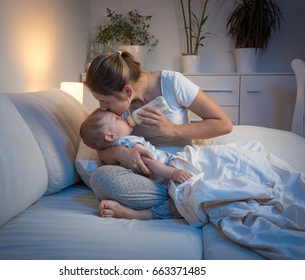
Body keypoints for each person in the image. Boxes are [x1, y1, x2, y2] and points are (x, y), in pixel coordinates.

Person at [84, 51, 233, 220]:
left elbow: (224, 124)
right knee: (101, 178)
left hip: (178, 167)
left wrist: (171, 129)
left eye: (105, 101)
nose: (102, 108)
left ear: (127, 91)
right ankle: (187, 198)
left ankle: (183, 197)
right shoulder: (113, 114)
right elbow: (102, 147)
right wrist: (120, 153)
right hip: (147, 176)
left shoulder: (172, 83)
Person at [80, 108, 193, 185]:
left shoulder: (114, 148)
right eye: (117, 119)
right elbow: (147, 161)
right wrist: (172, 173)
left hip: (158, 175)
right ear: (110, 136)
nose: (123, 117)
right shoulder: (128, 141)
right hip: (166, 166)